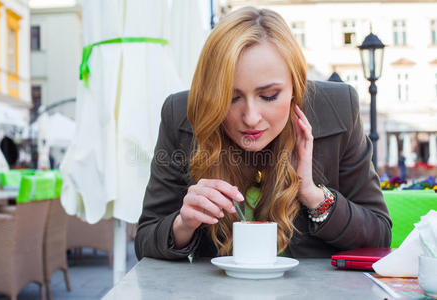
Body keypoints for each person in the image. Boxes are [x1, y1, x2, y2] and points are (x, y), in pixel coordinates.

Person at [135, 7, 392, 260]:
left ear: (295, 85)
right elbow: (145, 240)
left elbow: (379, 237)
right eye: (231, 98)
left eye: (269, 96)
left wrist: (313, 194)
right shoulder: (181, 114)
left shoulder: (338, 107)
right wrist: (183, 223)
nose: (250, 117)